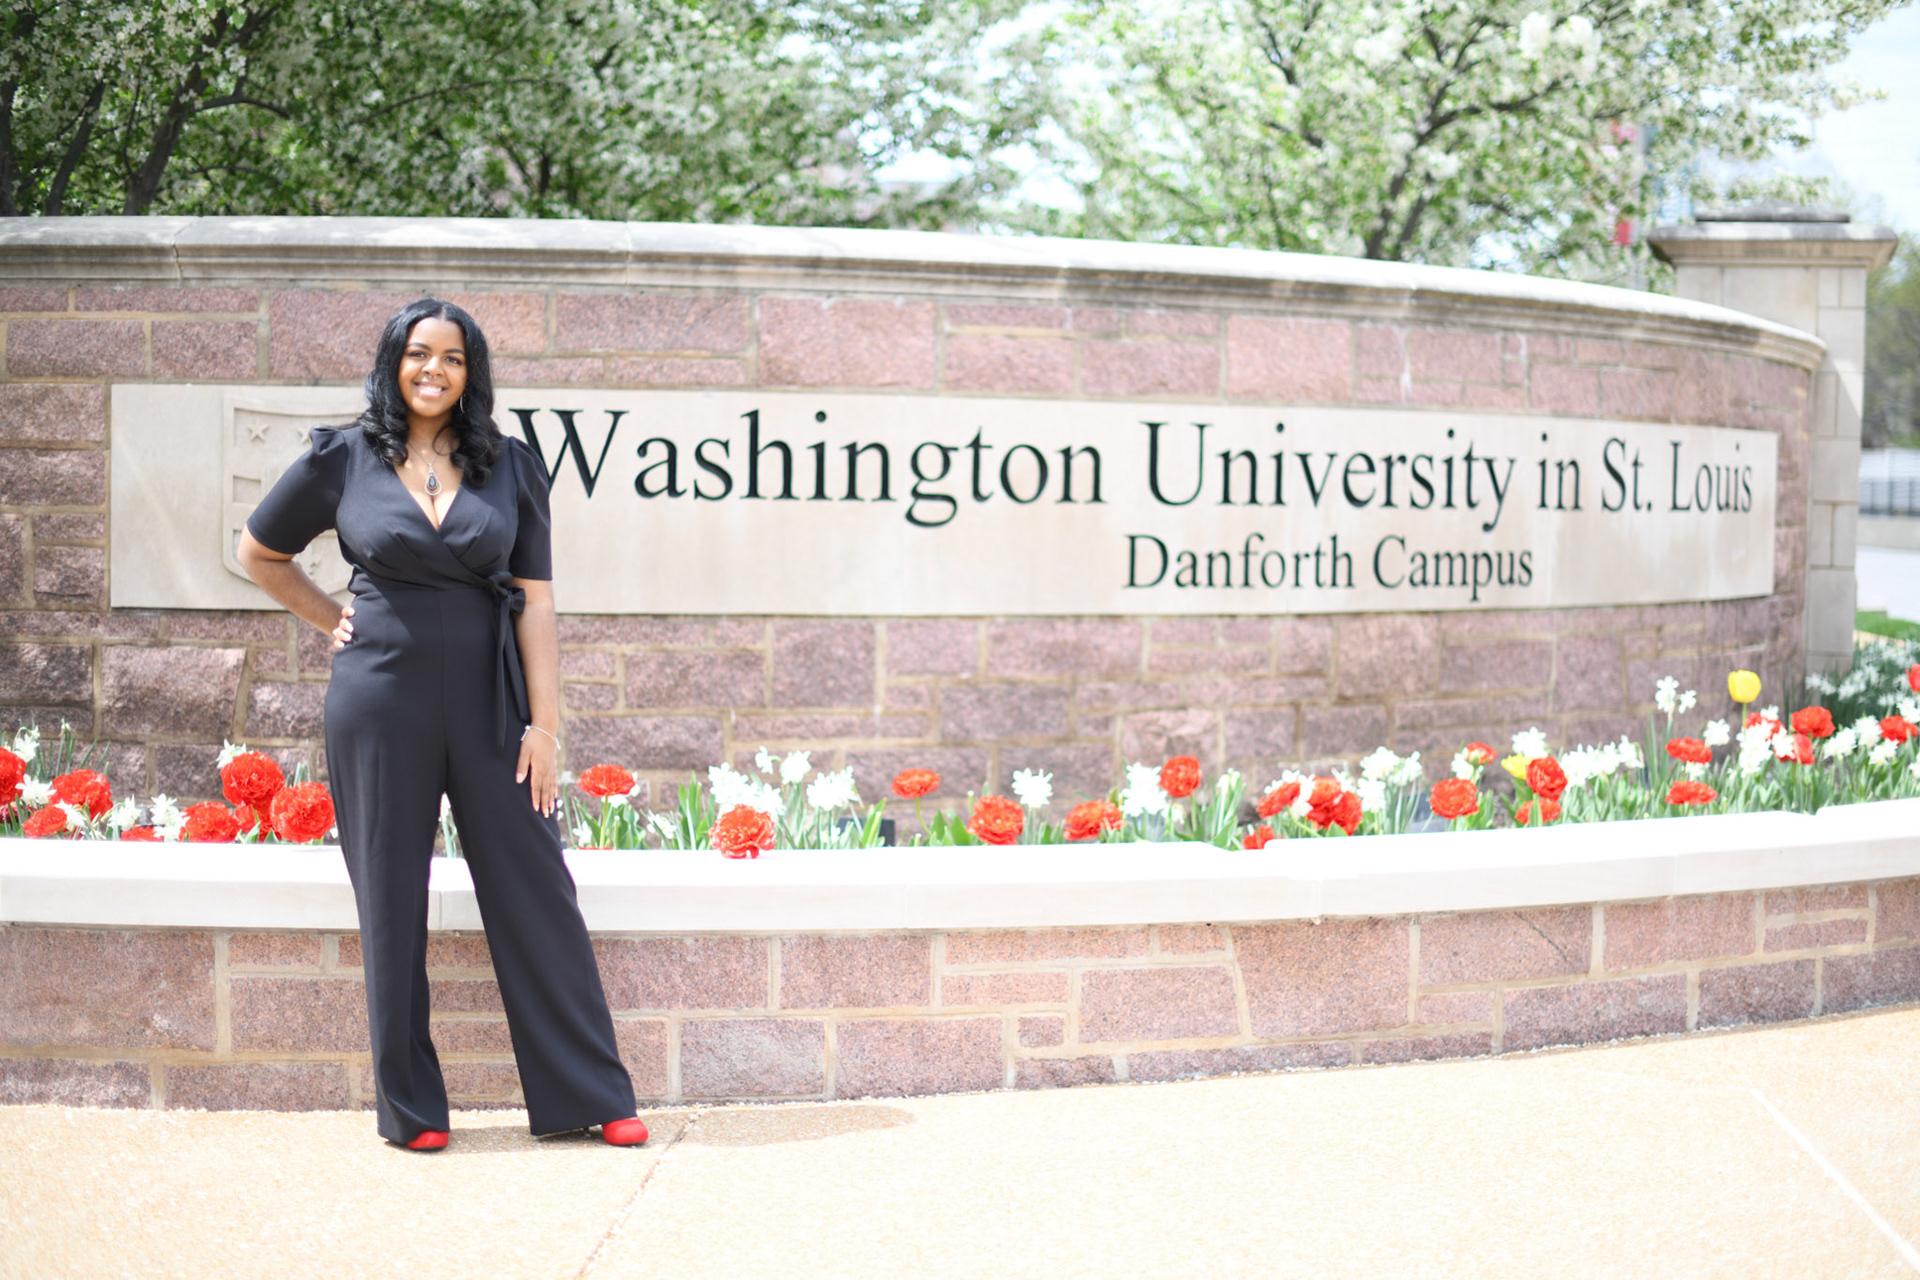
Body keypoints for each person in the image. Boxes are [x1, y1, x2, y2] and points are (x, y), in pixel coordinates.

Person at [237, 298, 646, 1151]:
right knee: (391, 896)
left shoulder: (510, 465)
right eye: (419, 353)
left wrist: (545, 726)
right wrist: (329, 619)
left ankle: (591, 1093)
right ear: (394, 362)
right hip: (379, 695)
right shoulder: (342, 457)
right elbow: (259, 553)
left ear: (471, 373)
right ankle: (413, 1110)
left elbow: (536, 601)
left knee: (535, 885)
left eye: (453, 358)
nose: (435, 370)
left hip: (493, 700)